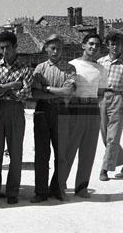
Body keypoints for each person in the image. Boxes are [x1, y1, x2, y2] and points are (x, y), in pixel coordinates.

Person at [0, 31, 33, 204]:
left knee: (15, 152)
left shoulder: (25, 68)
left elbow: (25, 93)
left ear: (15, 47)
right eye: (2, 48)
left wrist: (2, 88)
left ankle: (12, 192)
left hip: (16, 110)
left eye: (8, 47)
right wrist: (13, 85)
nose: (5, 51)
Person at [30, 34, 76, 203]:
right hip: (42, 112)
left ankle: (58, 188)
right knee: (42, 154)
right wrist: (58, 92)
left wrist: (47, 88)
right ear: (46, 49)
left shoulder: (70, 69)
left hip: (62, 111)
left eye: (59, 48)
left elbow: (68, 91)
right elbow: (35, 93)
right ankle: (40, 192)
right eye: (53, 48)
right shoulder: (40, 69)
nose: (56, 51)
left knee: (61, 154)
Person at [64, 33, 108, 197]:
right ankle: (59, 184)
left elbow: (101, 93)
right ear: (83, 45)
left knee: (88, 151)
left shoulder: (101, 69)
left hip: (93, 110)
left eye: (97, 45)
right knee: (69, 149)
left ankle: (82, 187)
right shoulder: (72, 65)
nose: (93, 47)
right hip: (75, 108)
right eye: (90, 44)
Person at [97, 31, 123, 181]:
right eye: (112, 44)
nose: (115, 47)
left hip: (118, 98)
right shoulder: (100, 62)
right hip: (102, 98)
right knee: (105, 135)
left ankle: (105, 169)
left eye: (118, 44)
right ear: (108, 45)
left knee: (113, 137)